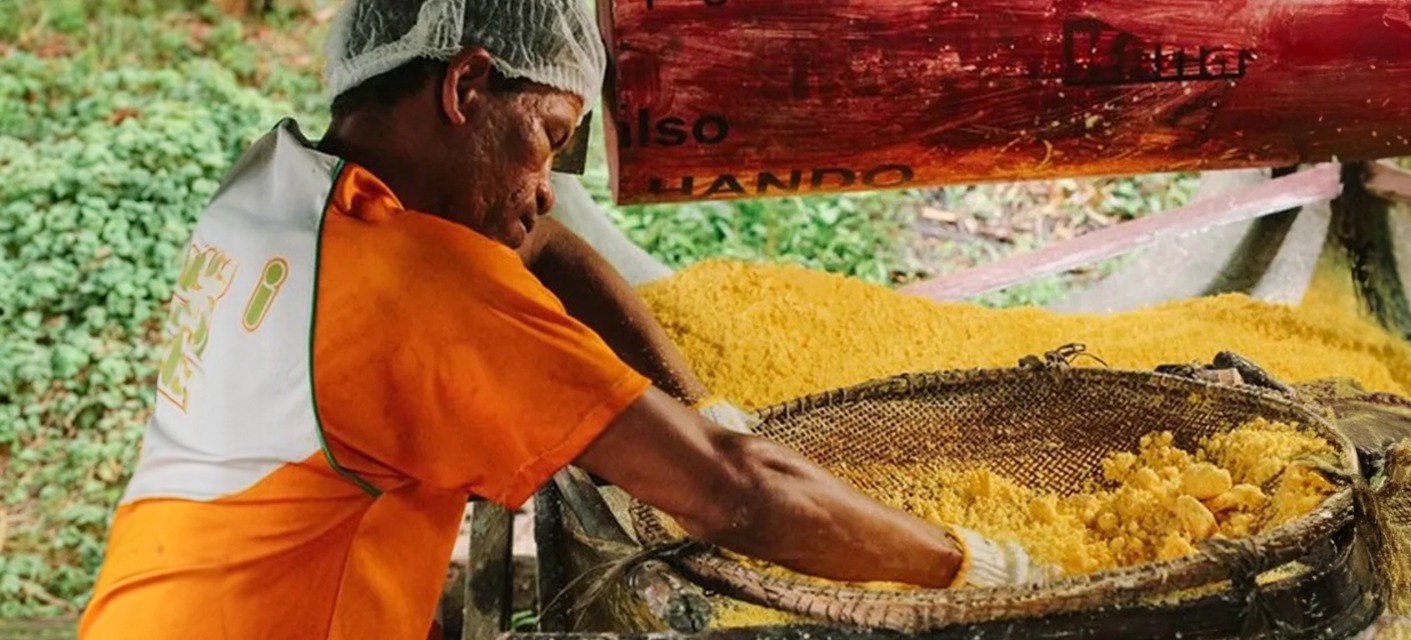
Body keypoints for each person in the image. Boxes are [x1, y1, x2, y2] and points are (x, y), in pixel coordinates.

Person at [77, 1, 1055, 638]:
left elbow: (537, 243)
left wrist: (694, 402)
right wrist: (978, 566)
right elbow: (731, 492)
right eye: (547, 137)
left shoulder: (282, 186)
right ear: (465, 87)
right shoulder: (420, 288)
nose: (546, 188)